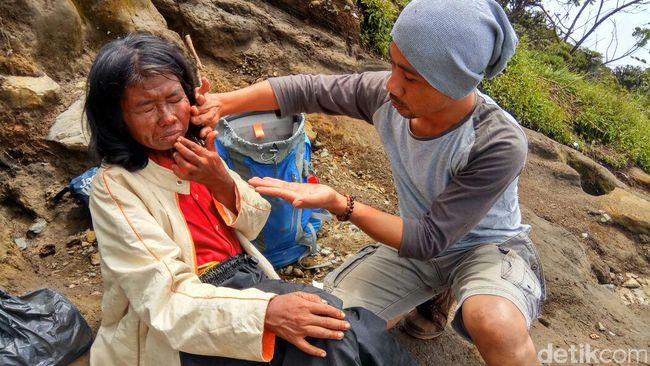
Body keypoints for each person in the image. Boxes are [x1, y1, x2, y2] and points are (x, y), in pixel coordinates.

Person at [190, 1, 546, 365]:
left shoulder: (497, 141)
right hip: (416, 241)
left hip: (483, 247)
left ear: (453, 82)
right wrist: (223, 103)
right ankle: (431, 293)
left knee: (492, 322)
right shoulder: (387, 95)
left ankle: (455, 290)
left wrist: (340, 204)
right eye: (393, 65)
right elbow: (306, 90)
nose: (392, 84)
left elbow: (428, 239)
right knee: (328, 317)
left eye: (410, 77)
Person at [85, 32, 415, 366]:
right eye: (146, 107)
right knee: (329, 348)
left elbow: (256, 221)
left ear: (190, 96)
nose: (168, 117)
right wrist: (268, 312)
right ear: (116, 117)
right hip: (190, 317)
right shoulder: (116, 188)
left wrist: (219, 181)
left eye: (174, 98)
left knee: (357, 329)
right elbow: (164, 299)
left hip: (244, 281)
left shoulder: (198, 153)